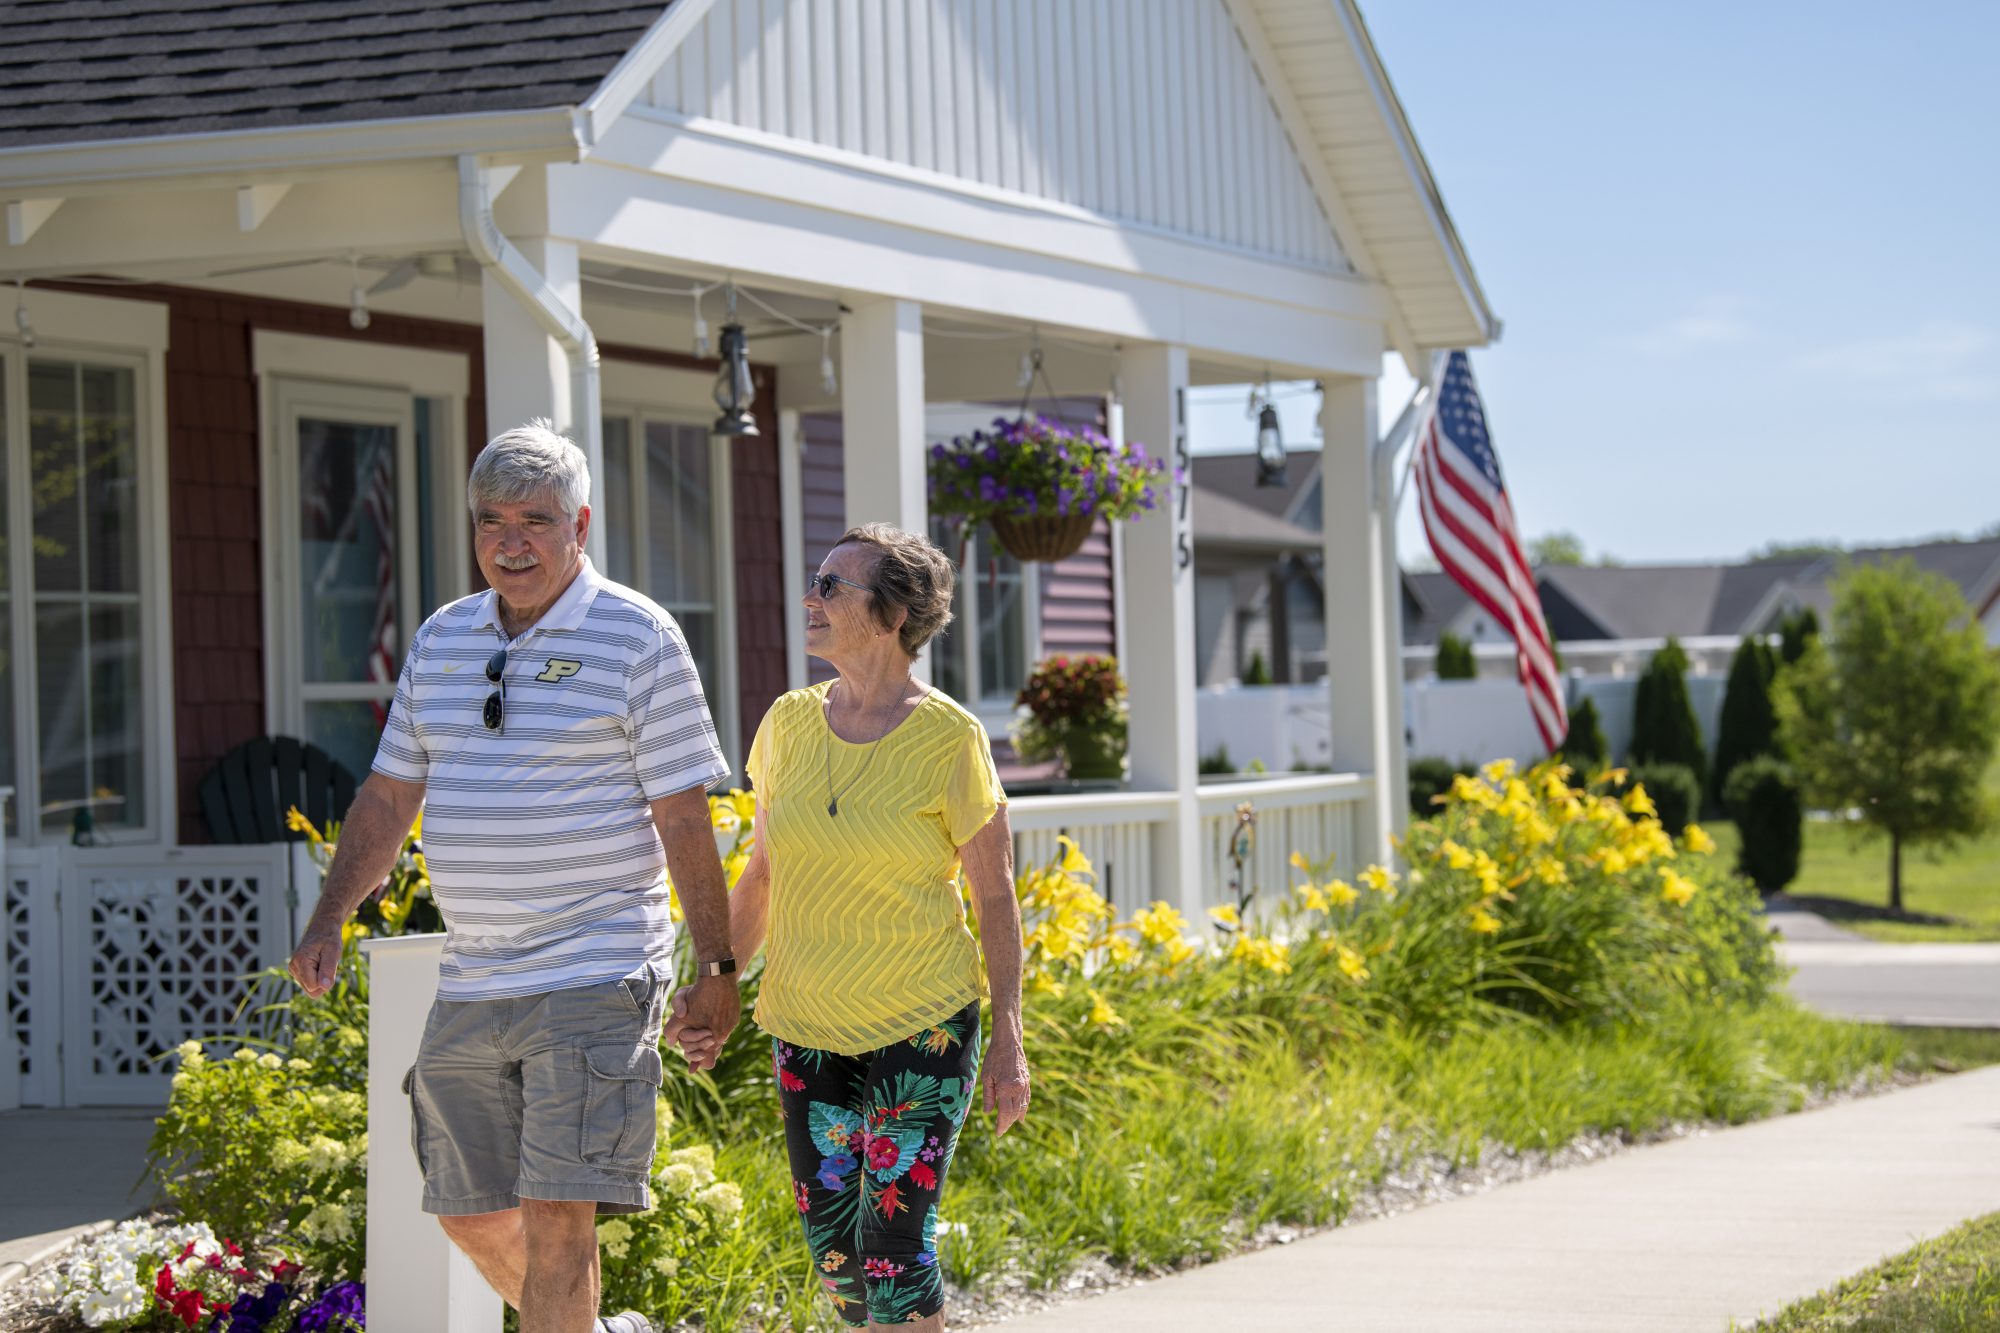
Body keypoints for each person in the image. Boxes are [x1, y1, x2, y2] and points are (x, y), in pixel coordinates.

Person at [288, 421, 740, 1333]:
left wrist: (717, 968)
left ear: (580, 523)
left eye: (535, 519)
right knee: (464, 1204)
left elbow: (683, 817)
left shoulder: (637, 635)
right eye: (491, 520)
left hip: (596, 963)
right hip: (477, 972)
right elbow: (386, 796)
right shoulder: (446, 637)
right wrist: (330, 911)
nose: (511, 540)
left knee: (558, 1217)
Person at [666, 523, 1030, 1333]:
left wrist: (1007, 1031)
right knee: (839, 1261)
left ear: (894, 613)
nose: (811, 598)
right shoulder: (788, 725)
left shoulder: (951, 738)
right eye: (814, 581)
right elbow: (762, 874)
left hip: (922, 1020)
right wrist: (715, 982)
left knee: (893, 1247)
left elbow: (996, 896)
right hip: (808, 1026)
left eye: (832, 586)